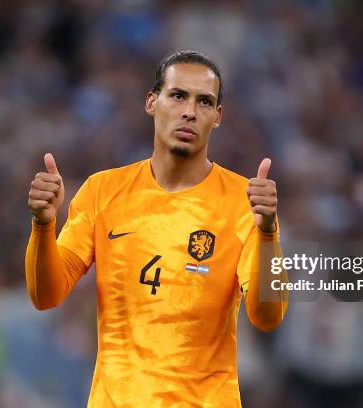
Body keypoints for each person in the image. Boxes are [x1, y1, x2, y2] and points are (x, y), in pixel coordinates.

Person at [25, 49, 287, 407]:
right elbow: (46, 295)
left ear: (218, 117)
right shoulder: (103, 192)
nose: (189, 112)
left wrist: (268, 233)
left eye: (204, 102)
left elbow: (268, 316)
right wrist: (43, 226)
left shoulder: (245, 204)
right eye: (178, 95)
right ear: (152, 102)